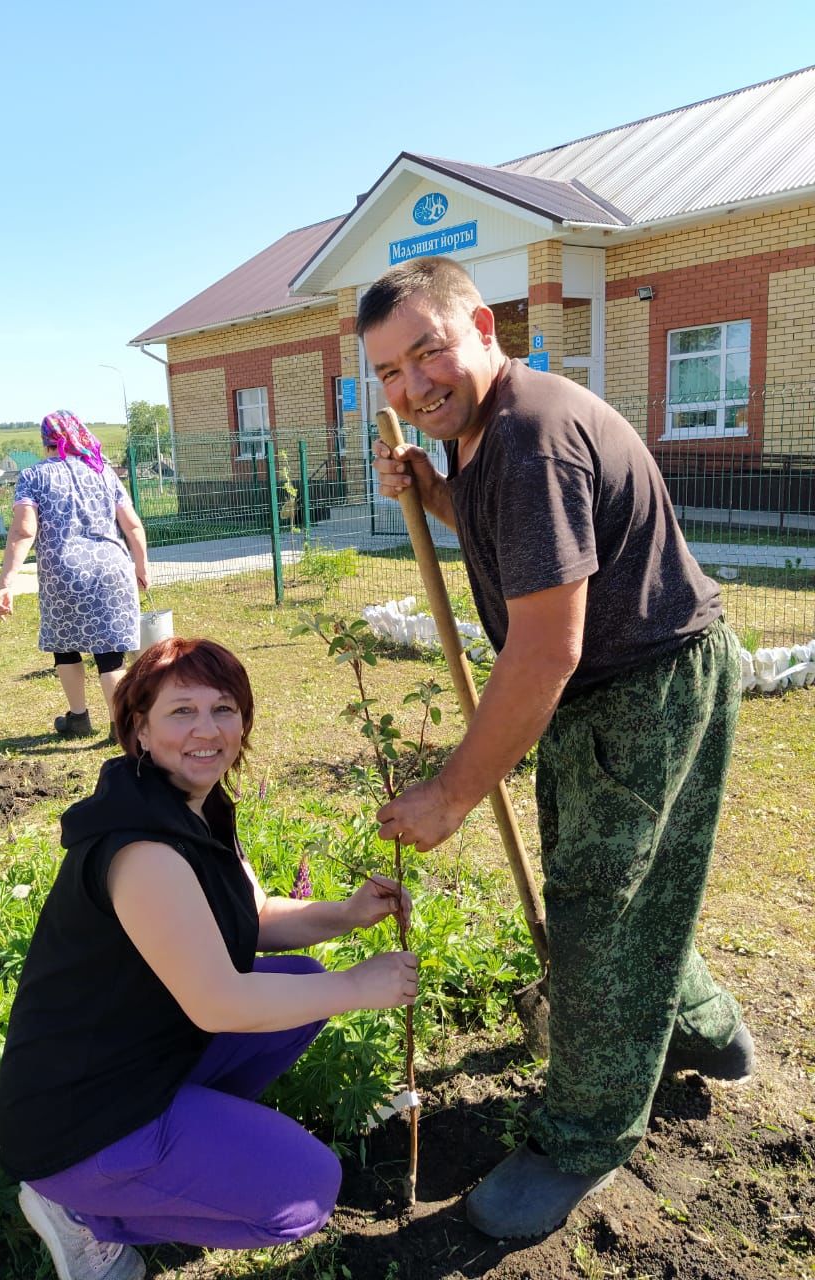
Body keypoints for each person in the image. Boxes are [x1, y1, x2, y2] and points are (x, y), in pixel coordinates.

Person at [360, 256, 751, 1239]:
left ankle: (581, 1137)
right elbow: (520, 535)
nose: (413, 387)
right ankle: (708, 1029)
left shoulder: (534, 437)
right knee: (622, 889)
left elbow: (544, 644)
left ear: (480, 324)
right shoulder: (488, 432)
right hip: (602, 687)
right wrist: (433, 491)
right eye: (389, 375)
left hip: (646, 682)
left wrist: (450, 793)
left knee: (602, 908)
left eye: (428, 352)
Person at [0, 636, 418, 1280]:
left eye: (224, 709)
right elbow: (219, 1000)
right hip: (76, 1119)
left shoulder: (191, 804)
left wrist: (344, 914)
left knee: (298, 982)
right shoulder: (144, 853)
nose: (207, 729)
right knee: (305, 1193)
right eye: (181, 711)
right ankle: (81, 1211)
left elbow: (248, 918)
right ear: (138, 728)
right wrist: (357, 984)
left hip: (129, 1061)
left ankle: (171, 1152)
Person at [0, 410, 150, 741]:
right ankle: (119, 729)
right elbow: (132, 524)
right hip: (112, 569)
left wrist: (5, 582)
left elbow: (23, 532)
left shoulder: (33, 476)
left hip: (64, 572)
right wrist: (141, 565)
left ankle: (78, 719)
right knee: (110, 655)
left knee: (65, 648)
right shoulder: (104, 471)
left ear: (46, 440)